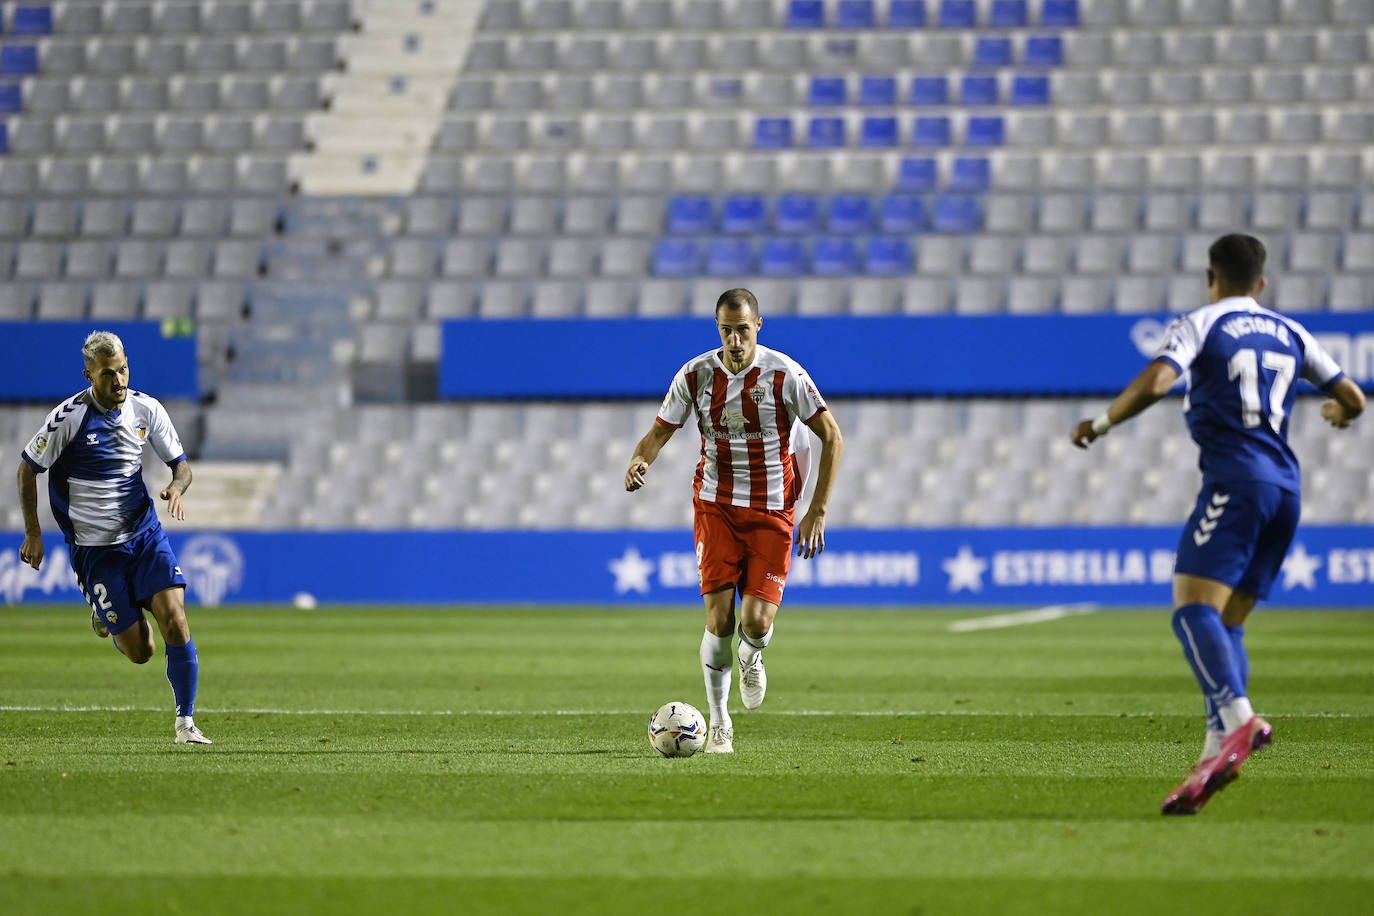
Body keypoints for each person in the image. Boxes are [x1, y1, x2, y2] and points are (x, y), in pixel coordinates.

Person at [1071, 234, 1364, 814]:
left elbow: (1158, 382)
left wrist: (1099, 425)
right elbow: (1351, 393)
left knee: (1192, 608)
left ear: (1212, 277)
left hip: (1236, 483)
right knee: (1228, 624)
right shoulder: (1291, 332)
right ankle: (1213, 753)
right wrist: (1340, 412)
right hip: (1287, 490)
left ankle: (1238, 719)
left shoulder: (1200, 323)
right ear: (1260, 283)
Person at [625, 289, 843, 754]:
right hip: (716, 506)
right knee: (719, 619)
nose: (736, 339)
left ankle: (752, 655)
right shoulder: (696, 375)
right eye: (727, 330)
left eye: (744, 329)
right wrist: (640, 460)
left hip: (772, 509)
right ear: (718, 329)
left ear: (758, 326)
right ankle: (720, 723)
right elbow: (657, 434)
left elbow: (832, 437)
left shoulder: (785, 374)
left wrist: (817, 509)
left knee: (757, 622)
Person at [17, 330, 211, 745]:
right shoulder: (68, 418)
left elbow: (182, 466)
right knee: (142, 651)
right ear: (89, 375)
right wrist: (33, 533)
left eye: (123, 369)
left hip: (144, 536)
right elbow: (27, 468)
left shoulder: (146, 409)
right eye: (108, 374)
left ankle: (185, 723)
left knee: (175, 619)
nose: (119, 380)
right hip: (96, 552)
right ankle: (108, 615)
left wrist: (177, 487)